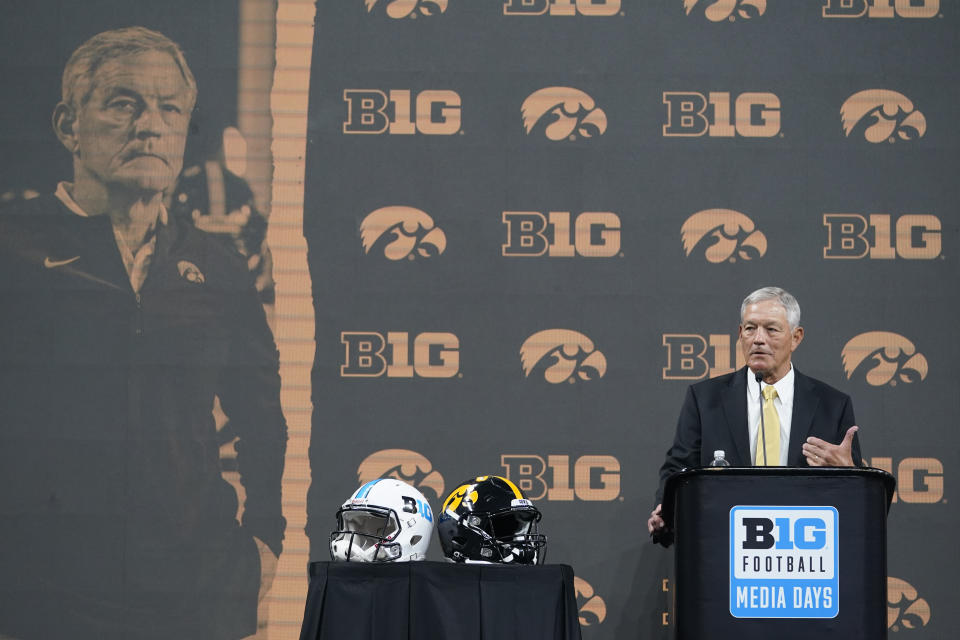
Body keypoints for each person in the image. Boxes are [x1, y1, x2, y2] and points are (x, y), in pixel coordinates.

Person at [0, 27, 286, 639]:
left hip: (195, 595)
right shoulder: (12, 246)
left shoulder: (217, 264)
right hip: (41, 596)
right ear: (68, 125)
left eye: (169, 108)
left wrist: (267, 542)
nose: (149, 126)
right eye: (123, 103)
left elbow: (265, 416)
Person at [647, 286, 861, 538]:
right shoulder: (705, 399)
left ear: (796, 337)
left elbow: (856, 499)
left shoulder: (832, 405)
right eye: (750, 328)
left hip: (805, 552)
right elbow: (678, 469)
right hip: (724, 543)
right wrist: (666, 507)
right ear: (740, 334)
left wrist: (850, 473)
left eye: (771, 329)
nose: (758, 339)